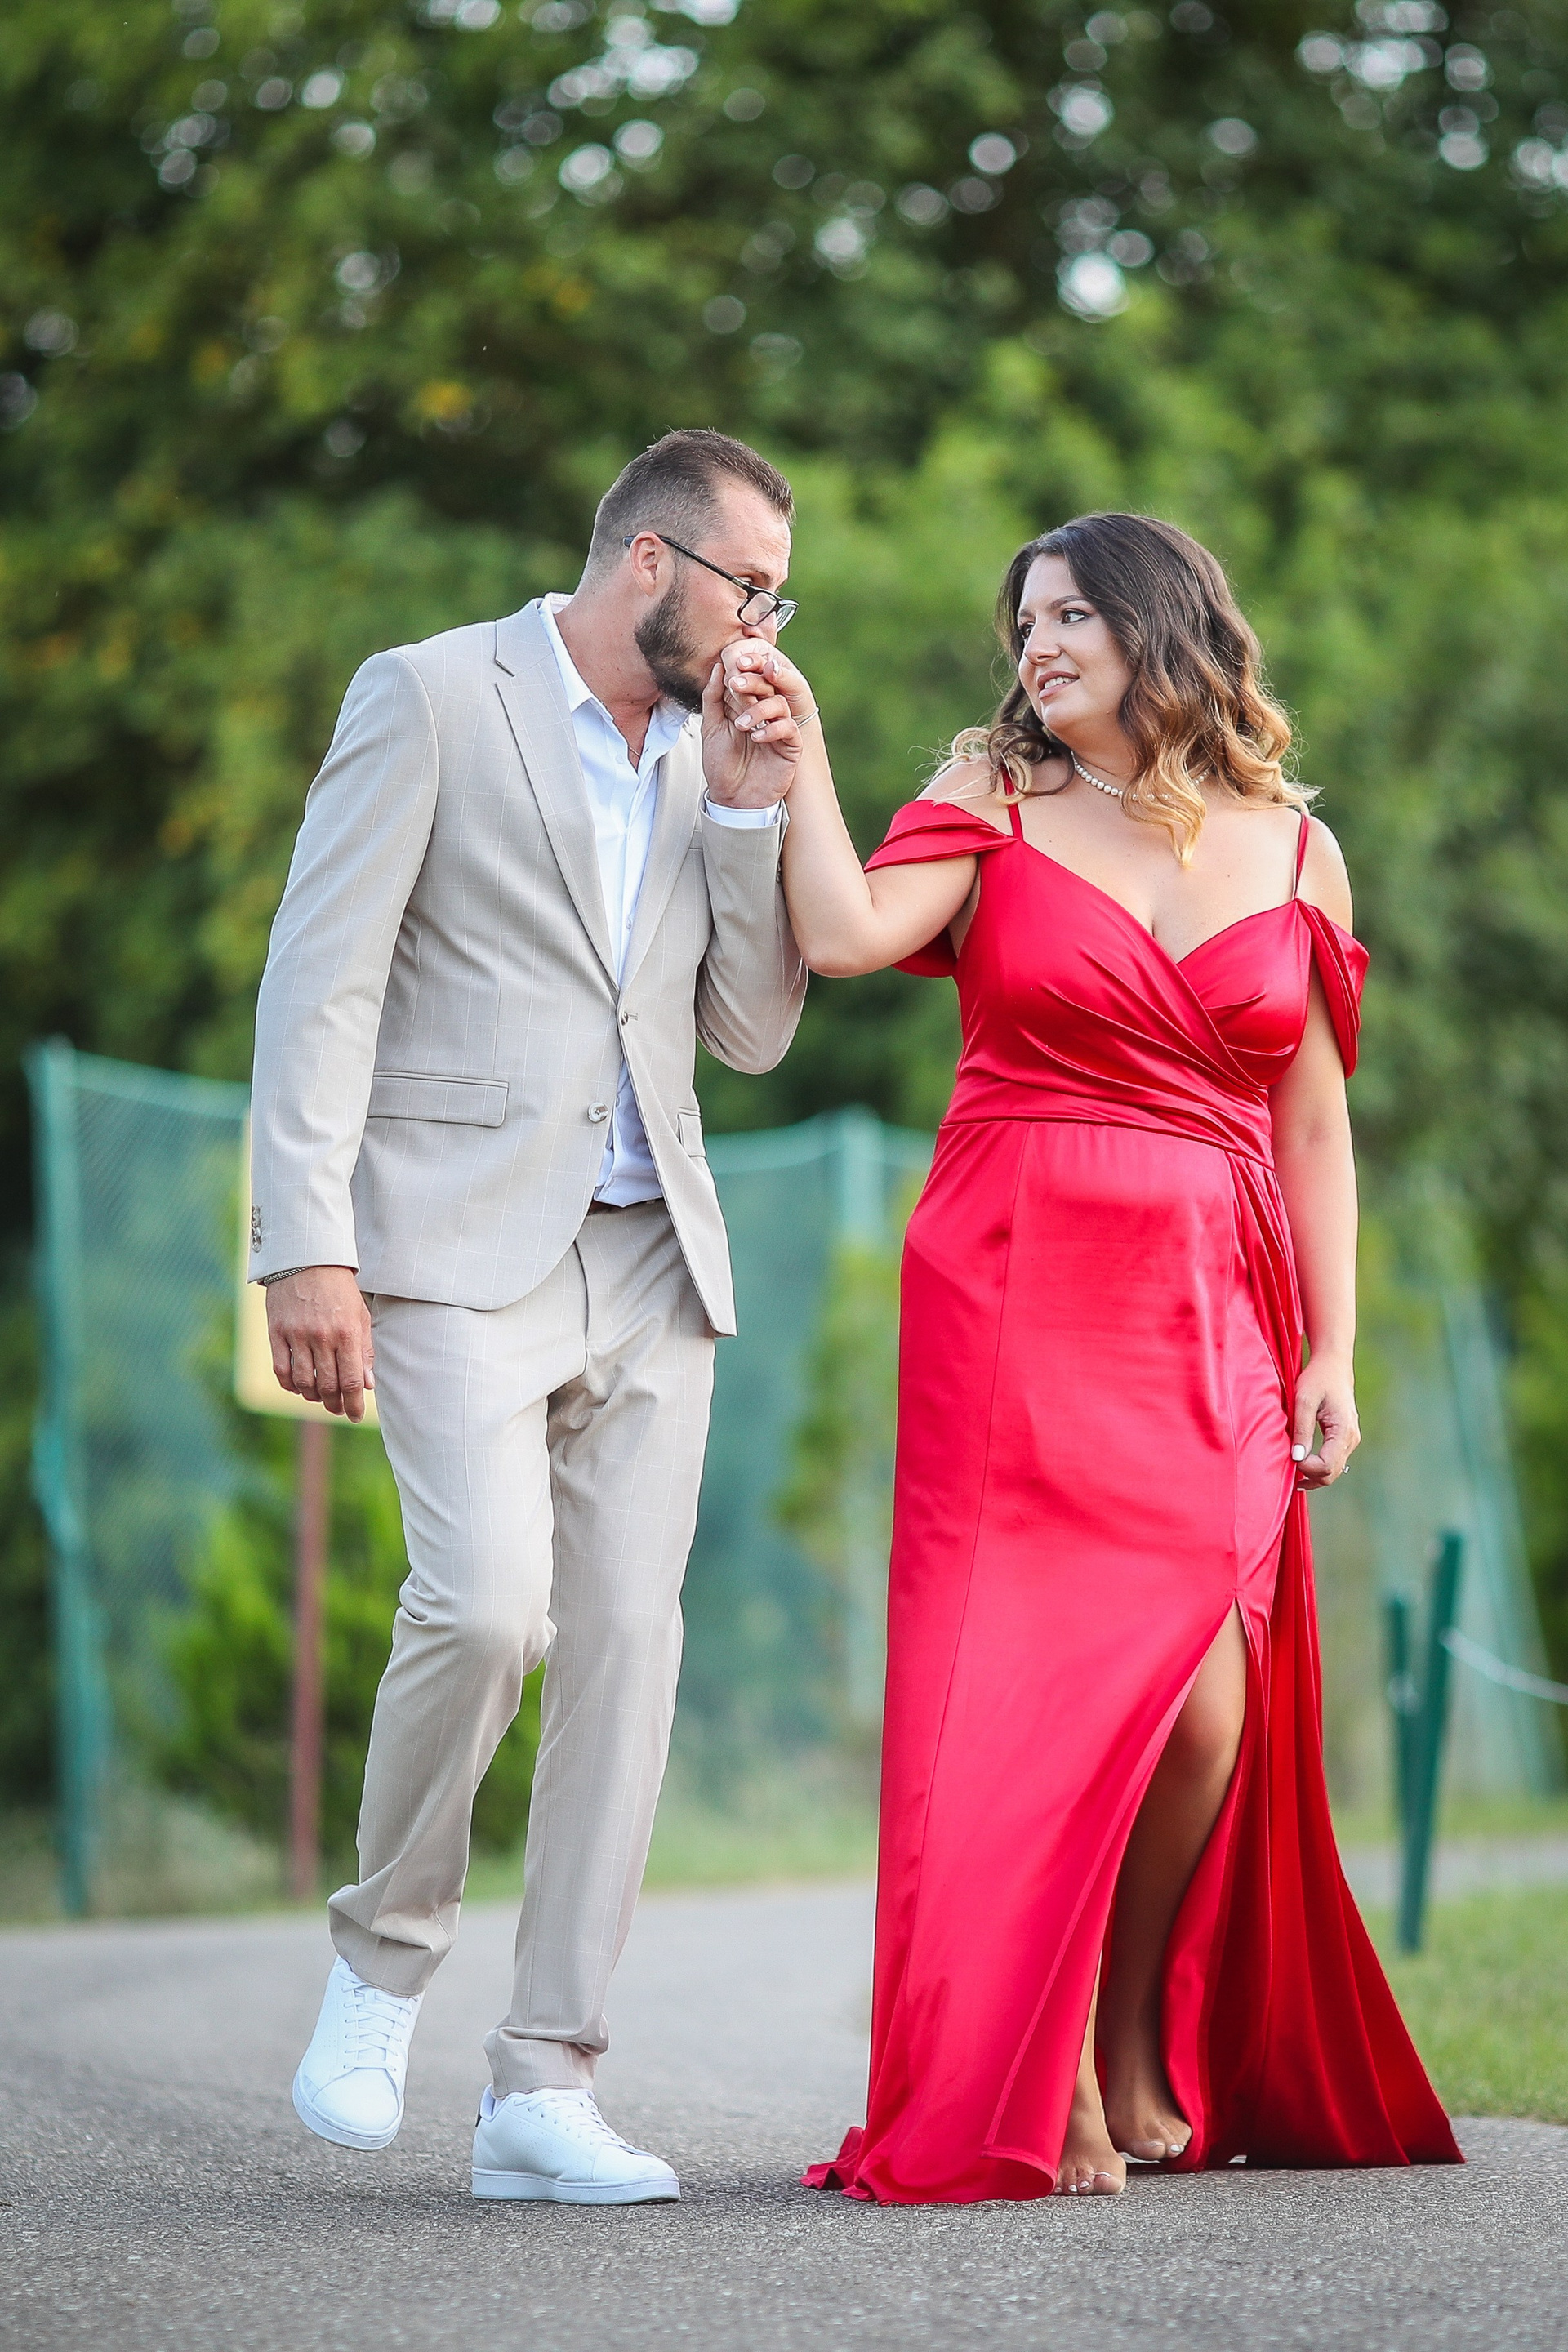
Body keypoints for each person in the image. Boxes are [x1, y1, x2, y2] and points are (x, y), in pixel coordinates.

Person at [719, 511, 1461, 2203]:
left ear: (1158, 626)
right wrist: (805, 752)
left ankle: (1128, 2033)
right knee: (1025, 1698)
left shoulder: (1299, 848)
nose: (1035, 647)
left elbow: (1313, 1126)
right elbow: (842, 937)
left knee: (1204, 1711)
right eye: (1024, 624)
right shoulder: (992, 794)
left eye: (1068, 617)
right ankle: (1037, 2073)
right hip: (1012, 1286)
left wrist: (1333, 1346)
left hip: (1215, 1306)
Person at [249, 429, 807, 2204]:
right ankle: (380, 1965)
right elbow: (320, 981)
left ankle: (544, 2083)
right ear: (651, 561)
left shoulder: (714, 749)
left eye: (779, 601)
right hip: (449, 1244)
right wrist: (302, 1245)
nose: (764, 628)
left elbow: (751, 1033)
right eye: (750, 589)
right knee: (489, 1606)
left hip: (653, 1261)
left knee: (628, 1653)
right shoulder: (429, 697)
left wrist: (750, 810)